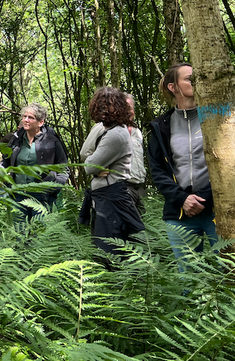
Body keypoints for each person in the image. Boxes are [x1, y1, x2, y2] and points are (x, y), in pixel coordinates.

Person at [147, 63, 217, 267]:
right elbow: (157, 171)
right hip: (179, 213)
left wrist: (202, 198)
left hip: (218, 209)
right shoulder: (161, 127)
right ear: (173, 87)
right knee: (188, 281)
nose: (195, 82)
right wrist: (183, 199)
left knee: (228, 276)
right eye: (189, 78)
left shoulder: (217, 118)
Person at [80, 87, 144, 263]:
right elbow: (86, 155)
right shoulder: (106, 130)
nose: (105, 110)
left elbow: (89, 168)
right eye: (102, 106)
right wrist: (92, 162)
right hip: (105, 197)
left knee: (109, 251)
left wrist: (92, 164)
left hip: (112, 198)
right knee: (104, 247)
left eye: (109, 106)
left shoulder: (116, 134)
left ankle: (115, 287)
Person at [2, 103, 69, 218]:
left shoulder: (52, 141)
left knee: (40, 233)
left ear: (41, 122)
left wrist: (53, 188)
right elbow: (5, 162)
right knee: (20, 233)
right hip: (18, 195)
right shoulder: (16, 140)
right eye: (24, 117)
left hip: (42, 197)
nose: (26, 120)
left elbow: (63, 168)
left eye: (31, 118)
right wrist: (0, 177)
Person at [123, 92, 147, 213]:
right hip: (124, 186)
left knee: (148, 225)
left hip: (140, 185)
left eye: (131, 108)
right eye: (125, 108)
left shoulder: (138, 132)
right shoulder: (113, 132)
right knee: (133, 227)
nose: (129, 112)